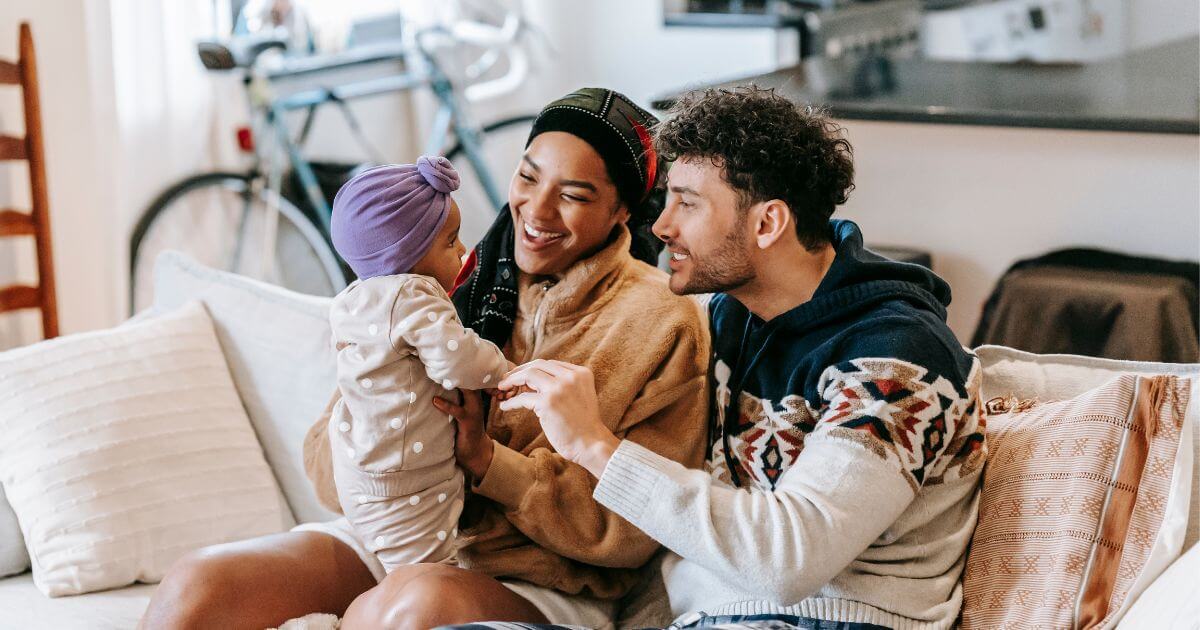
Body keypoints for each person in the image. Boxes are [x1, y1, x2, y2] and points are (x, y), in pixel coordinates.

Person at [139, 87, 710, 630]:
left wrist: (488, 464)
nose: (536, 210)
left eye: (574, 195)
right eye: (528, 176)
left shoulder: (661, 323)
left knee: (412, 606)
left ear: (621, 211)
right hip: (395, 533)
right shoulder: (435, 275)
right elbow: (324, 466)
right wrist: (385, 440)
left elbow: (638, 526)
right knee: (196, 585)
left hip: (537, 577)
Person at [495, 87, 987, 630]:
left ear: (767, 223)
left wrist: (594, 446)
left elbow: (789, 558)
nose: (660, 227)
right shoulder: (730, 317)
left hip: (833, 618)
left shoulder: (897, 359)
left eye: (688, 203)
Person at [325, 156, 510, 572]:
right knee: (427, 573)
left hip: (360, 472)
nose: (463, 250)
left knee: (401, 571)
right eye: (450, 241)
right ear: (404, 251)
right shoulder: (413, 292)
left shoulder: (350, 301)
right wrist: (506, 372)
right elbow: (456, 359)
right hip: (410, 477)